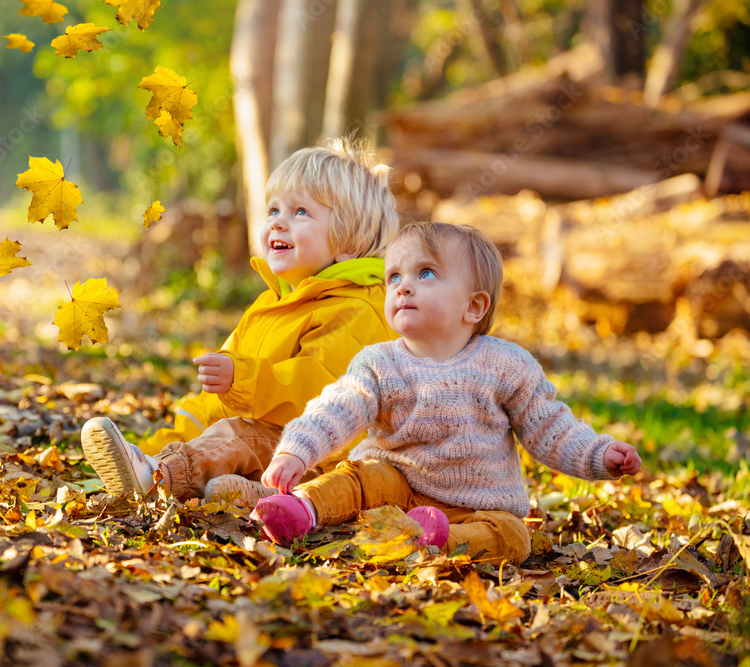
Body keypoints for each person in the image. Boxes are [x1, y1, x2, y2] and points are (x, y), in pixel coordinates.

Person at [252, 222, 642, 565]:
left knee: (513, 537)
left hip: (478, 506)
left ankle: (438, 541)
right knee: (362, 476)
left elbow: (549, 426)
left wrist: (597, 454)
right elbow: (339, 406)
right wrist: (297, 448)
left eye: (425, 273)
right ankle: (303, 509)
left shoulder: (505, 365)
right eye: (393, 277)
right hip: (396, 486)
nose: (403, 286)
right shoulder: (378, 362)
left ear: (473, 306)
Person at [81, 137, 400, 503]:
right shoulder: (271, 305)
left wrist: (244, 379)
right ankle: (244, 492)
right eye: (274, 210)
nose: (279, 223)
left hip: (325, 457)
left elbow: (321, 395)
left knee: (238, 435)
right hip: (274, 447)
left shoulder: (358, 309)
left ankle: (157, 475)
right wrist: (158, 441)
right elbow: (216, 402)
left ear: (350, 241)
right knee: (234, 438)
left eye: (300, 213)